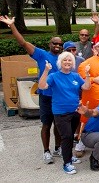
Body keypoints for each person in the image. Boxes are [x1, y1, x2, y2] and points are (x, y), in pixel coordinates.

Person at [0, 15, 62, 164]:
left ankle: (58, 148)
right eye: (55, 43)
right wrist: (12, 26)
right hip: (46, 96)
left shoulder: (65, 57)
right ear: (50, 44)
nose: (58, 46)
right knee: (46, 124)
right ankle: (46, 151)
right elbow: (22, 42)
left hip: (60, 97)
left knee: (59, 125)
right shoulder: (41, 55)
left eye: (60, 44)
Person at [38, 53, 91, 174]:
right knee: (66, 137)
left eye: (70, 60)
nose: (67, 62)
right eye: (65, 60)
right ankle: (67, 163)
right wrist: (46, 70)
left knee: (70, 136)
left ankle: (68, 155)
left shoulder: (75, 76)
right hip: (61, 112)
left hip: (75, 111)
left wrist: (87, 74)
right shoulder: (54, 76)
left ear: (73, 63)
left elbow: (87, 87)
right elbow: (42, 86)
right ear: (60, 63)